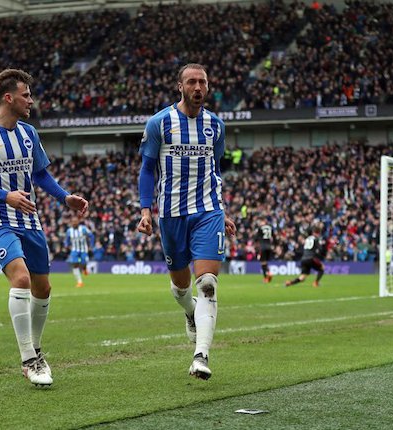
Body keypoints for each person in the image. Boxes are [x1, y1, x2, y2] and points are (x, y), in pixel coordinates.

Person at [0, 69, 88, 388]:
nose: (31, 100)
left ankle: (37, 348)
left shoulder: (29, 133)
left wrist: (64, 197)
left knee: (43, 289)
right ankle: (29, 358)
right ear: (8, 97)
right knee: (21, 278)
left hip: (30, 218)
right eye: (26, 95)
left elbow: (40, 174)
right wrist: (6, 196)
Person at [137, 63, 236, 380]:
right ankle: (190, 312)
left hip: (208, 212)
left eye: (202, 82)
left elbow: (215, 171)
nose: (198, 87)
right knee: (181, 288)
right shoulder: (160, 123)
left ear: (208, 87)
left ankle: (201, 355)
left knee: (207, 283)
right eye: (191, 81)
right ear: (179, 86)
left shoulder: (216, 126)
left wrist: (224, 210)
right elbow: (147, 169)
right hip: (170, 214)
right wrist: (144, 210)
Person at [65, 216, 94, 287]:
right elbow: (67, 239)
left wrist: (91, 245)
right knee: (75, 264)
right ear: (71, 223)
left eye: (75, 221)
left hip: (84, 249)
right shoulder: (69, 231)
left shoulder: (83, 229)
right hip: (74, 249)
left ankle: (84, 268)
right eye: (73, 222)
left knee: (83, 262)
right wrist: (66, 245)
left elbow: (91, 236)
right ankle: (80, 282)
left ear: (78, 222)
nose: (74, 223)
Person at [256, 218, 274, 283]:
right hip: (269, 246)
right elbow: (274, 237)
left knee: (263, 263)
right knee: (265, 262)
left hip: (263, 246)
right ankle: (268, 274)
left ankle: (266, 277)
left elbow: (256, 238)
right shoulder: (270, 227)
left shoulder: (260, 228)